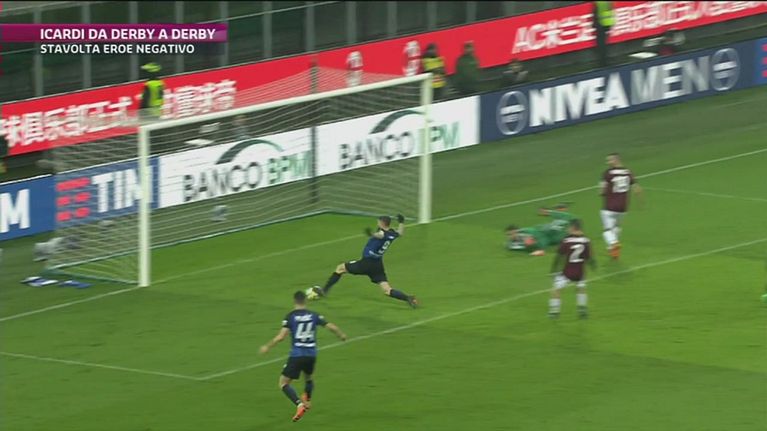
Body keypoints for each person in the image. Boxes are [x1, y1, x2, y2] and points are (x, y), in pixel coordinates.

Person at [259, 290, 347, 422]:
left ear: (294, 301)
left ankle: (299, 404)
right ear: (305, 301)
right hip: (311, 354)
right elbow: (330, 326)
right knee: (308, 377)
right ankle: (308, 399)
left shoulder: (290, 316)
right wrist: (341, 335)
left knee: (283, 383)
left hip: (297, 355)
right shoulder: (313, 315)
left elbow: (281, 337)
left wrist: (267, 346)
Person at [313, 215, 418, 308]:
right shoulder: (392, 233)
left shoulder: (382, 233)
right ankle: (408, 298)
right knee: (387, 290)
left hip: (366, 264)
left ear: (382, 223)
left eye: (378, 222)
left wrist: (371, 234)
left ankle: (324, 291)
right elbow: (400, 233)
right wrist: (401, 222)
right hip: (377, 265)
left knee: (340, 268)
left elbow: (380, 235)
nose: (377, 223)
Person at [549, 219, 596, 319]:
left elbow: (559, 256)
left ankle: (554, 312)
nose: (567, 229)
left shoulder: (566, 241)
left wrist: (553, 269)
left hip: (567, 271)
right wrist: (593, 265)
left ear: (573, 227)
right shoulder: (586, 241)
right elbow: (589, 257)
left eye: (569, 227)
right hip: (580, 272)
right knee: (581, 289)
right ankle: (582, 309)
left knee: (556, 290)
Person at [600, 153, 642, 259]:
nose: (608, 162)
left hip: (609, 207)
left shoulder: (608, 173)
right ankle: (613, 251)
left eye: (609, 160)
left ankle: (613, 243)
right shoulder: (628, 172)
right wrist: (640, 202)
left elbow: (602, 190)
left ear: (616, 160)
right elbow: (637, 189)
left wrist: (603, 192)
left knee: (607, 230)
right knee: (617, 227)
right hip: (623, 207)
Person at [506, 204, 577, 256]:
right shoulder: (561, 224)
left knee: (555, 229)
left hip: (547, 234)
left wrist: (537, 250)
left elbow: (539, 243)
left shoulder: (558, 232)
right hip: (544, 232)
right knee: (554, 228)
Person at [592, 1, 615, 67]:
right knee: (604, 43)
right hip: (605, 24)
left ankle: (602, 62)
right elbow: (609, 12)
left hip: (599, 25)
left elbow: (595, 13)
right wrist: (609, 25)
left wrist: (594, 24)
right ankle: (605, 60)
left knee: (601, 44)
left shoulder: (598, 2)